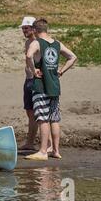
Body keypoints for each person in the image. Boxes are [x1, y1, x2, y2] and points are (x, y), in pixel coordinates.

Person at [25, 19, 77, 161]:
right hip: (54, 85)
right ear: (46, 29)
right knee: (54, 119)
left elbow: (29, 55)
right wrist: (61, 71)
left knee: (43, 119)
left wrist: (33, 69)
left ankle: (42, 151)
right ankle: (55, 150)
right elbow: (73, 57)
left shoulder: (36, 43)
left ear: (35, 30)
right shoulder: (57, 44)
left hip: (41, 85)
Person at [18, 17, 52, 152]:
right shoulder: (28, 42)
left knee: (41, 113)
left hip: (37, 81)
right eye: (23, 28)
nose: (24, 31)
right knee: (30, 113)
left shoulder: (40, 43)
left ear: (33, 28)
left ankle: (49, 144)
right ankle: (30, 143)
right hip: (28, 80)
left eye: (26, 28)